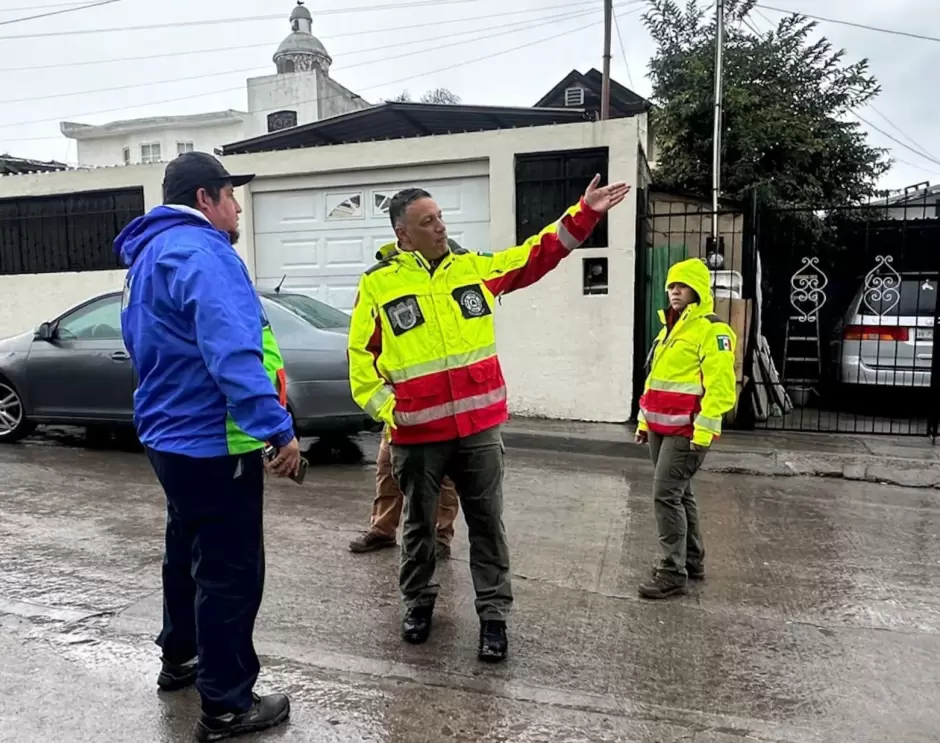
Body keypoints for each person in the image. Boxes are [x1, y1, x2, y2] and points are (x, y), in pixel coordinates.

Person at [347, 176, 630, 662]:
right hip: (418, 437)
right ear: (403, 233)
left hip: (478, 430)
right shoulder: (379, 285)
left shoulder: (473, 269)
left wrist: (585, 212)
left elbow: (536, 255)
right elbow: (360, 359)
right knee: (418, 527)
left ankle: (493, 618)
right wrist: (394, 412)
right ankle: (417, 604)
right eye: (427, 222)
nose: (440, 227)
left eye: (440, 217)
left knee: (488, 526)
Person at [115, 151, 300, 742]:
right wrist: (277, 431)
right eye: (230, 193)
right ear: (205, 199)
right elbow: (234, 354)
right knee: (230, 573)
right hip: (213, 441)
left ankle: (181, 659)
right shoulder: (205, 254)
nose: (238, 205)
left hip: (168, 438)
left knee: (185, 554)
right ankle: (226, 706)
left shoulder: (147, 257)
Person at [634, 257, 738, 600]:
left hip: (686, 432)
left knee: (666, 495)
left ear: (697, 289)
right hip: (660, 428)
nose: (674, 292)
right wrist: (643, 421)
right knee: (681, 493)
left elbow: (721, 388)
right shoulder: (671, 329)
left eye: (681, 286)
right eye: (671, 287)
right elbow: (655, 380)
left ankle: (671, 571)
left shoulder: (713, 330)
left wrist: (703, 433)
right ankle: (691, 561)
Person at [348, 427, 460, 560]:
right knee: (387, 469)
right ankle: (383, 530)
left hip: (437, 424)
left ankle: (441, 536)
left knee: (442, 476)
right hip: (397, 423)